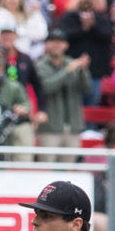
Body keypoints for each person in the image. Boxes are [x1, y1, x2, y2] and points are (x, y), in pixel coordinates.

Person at [35, 27, 91, 161]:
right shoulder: (40, 65)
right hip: (50, 127)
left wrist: (83, 71)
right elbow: (46, 87)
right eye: (53, 41)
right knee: (47, 168)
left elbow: (87, 89)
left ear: (66, 45)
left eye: (60, 41)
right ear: (47, 44)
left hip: (73, 126)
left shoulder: (73, 63)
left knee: (68, 171)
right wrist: (67, 71)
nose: (56, 44)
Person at [61, 0, 114, 107]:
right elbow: (64, 37)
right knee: (72, 107)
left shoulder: (102, 19)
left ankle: (91, 127)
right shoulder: (69, 17)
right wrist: (83, 28)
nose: (87, 0)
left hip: (94, 72)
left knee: (92, 106)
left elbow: (107, 37)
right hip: (72, 70)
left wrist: (93, 26)